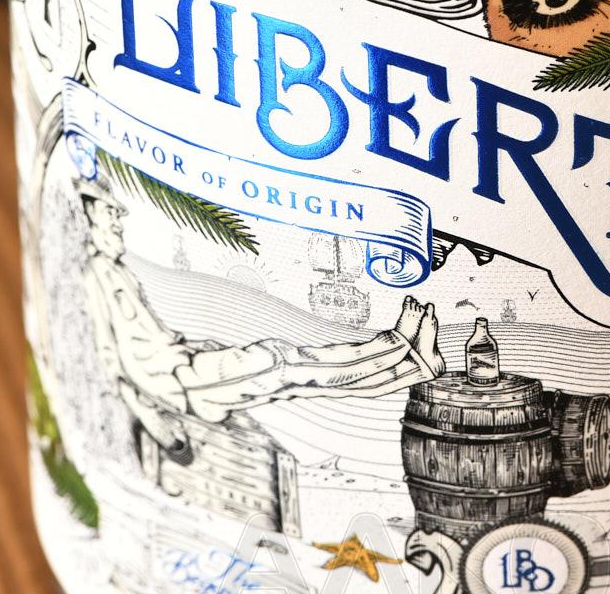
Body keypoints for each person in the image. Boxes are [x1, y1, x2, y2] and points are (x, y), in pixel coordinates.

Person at [77, 181, 444, 463]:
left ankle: (414, 366)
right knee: (286, 363)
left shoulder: (117, 272)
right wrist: (159, 427)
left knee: (301, 376)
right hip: (183, 382)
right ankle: (394, 345)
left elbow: (149, 340)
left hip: (190, 367)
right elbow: (112, 362)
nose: (118, 222)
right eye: (111, 213)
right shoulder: (98, 273)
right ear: (91, 214)